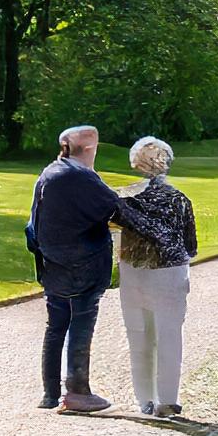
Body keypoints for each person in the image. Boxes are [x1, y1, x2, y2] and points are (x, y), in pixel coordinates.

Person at [25, 124, 120, 412]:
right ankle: (77, 391)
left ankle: (50, 394)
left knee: (56, 326)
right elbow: (114, 208)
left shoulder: (50, 172)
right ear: (91, 148)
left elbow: (34, 225)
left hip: (53, 264)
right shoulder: (81, 177)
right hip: (83, 265)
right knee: (81, 323)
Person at [112, 135, 199, 418]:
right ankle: (167, 400)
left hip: (134, 273)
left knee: (139, 336)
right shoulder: (180, 200)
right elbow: (191, 246)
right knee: (169, 337)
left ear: (136, 164)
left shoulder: (125, 200)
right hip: (170, 275)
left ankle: (144, 399)